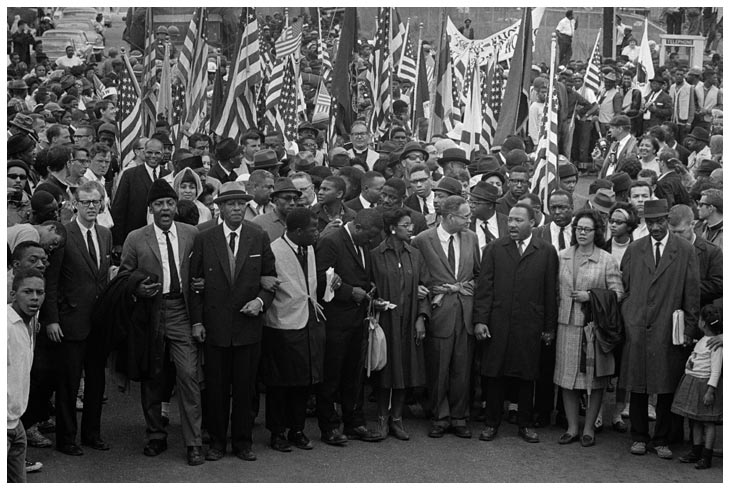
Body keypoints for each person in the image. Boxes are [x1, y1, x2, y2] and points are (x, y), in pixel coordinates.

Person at [119, 179, 204, 466]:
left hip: (182, 310)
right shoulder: (136, 238)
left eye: (169, 203)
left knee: (189, 375)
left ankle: (194, 442)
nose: (165, 208)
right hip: (151, 312)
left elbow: (203, 268)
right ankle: (155, 434)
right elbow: (123, 276)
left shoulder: (192, 233)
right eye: (159, 204)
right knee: (153, 376)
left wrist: (200, 284)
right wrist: (137, 288)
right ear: (150, 208)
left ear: (176, 205)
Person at [189, 182, 276, 462]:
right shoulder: (205, 238)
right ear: (220, 208)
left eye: (241, 203)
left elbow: (270, 279)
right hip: (215, 327)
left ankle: (242, 442)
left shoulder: (257, 236)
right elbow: (195, 284)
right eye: (231, 204)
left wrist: (260, 302)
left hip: (247, 327)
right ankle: (216, 441)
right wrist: (197, 322)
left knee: (244, 389)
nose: (237, 208)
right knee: (215, 389)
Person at [619, 199, 700, 458]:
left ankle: (662, 439)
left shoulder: (685, 250)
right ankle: (639, 436)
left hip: (669, 327)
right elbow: (627, 287)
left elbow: (692, 293)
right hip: (638, 326)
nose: (654, 226)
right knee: (638, 383)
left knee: (666, 385)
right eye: (650, 221)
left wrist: (688, 329)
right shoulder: (635, 248)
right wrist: (629, 318)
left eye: (659, 221)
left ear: (668, 220)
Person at [473, 203, 558, 443]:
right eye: (510, 220)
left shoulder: (545, 251)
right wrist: (480, 320)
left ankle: (525, 424)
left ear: (532, 223)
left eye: (518, 220)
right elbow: (484, 288)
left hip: (530, 324)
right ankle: (491, 423)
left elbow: (550, 292)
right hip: (498, 322)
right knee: (495, 374)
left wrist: (549, 328)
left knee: (526, 376)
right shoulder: (494, 248)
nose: (512, 224)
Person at [44, 181, 113, 456]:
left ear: (102, 203)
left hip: (98, 323)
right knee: (69, 384)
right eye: (85, 202)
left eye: (96, 201)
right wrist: (51, 319)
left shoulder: (105, 234)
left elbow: (103, 277)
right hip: (70, 321)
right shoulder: (65, 234)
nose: (91, 207)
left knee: (96, 382)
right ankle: (67, 438)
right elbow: (52, 281)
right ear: (75, 204)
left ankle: (92, 434)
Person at [554, 209, 624, 447]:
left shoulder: (606, 259)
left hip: (592, 328)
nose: (582, 233)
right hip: (566, 325)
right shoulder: (562, 255)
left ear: (597, 232)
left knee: (593, 381)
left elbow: (618, 294)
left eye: (587, 229)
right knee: (567, 379)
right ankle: (572, 427)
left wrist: (590, 296)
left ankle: (588, 428)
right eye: (578, 228)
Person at [412, 196, 480, 439]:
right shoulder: (422, 240)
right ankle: (440, 416)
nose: (470, 220)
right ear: (450, 217)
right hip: (439, 312)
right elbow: (418, 281)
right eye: (466, 216)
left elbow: (477, 274)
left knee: (462, 368)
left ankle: (459, 417)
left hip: (465, 313)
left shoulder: (471, 238)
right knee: (439, 367)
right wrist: (422, 312)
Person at [315, 209, 385, 445]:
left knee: (354, 375)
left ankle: (355, 422)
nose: (372, 241)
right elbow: (319, 278)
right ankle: (330, 427)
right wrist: (348, 292)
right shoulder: (331, 242)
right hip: (336, 320)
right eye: (369, 236)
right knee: (332, 375)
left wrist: (370, 288)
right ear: (358, 227)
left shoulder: (362, 242)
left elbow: (362, 275)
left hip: (358, 320)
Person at [260, 207, 325, 452]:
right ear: (297, 231)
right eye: (312, 229)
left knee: (303, 381)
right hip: (281, 324)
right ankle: (277, 432)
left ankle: (296, 429)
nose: (317, 233)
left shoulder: (308, 248)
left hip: (307, 321)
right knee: (280, 383)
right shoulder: (274, 249)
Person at [370, 208, 430, 440]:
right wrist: (375, 302)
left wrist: (421, 318)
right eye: (406, 225)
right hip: (386, 321)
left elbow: (425, 287)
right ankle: (382, 418)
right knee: (386, 370)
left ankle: (397, 418)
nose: (411, 228)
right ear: (393, 228)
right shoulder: (376, 254)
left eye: (411, 224)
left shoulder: (415, 254)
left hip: (409, 320)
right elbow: (370, 286)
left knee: (406, 369)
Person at [671, 304, 722, 470]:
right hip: (694, 381)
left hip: (704, 384)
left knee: (708, 421)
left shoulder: (716, 345)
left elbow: (716, 370)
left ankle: (706, 455)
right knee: (696, 419)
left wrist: (710, 390)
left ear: (703, 323)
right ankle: (696, 451)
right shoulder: (704, 340)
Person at [7, 268, 46, 483]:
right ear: (13, 295)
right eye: (27, 292)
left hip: (16, 423)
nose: (34, 298)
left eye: (39, 293)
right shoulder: (6, 326)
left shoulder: (29, 322)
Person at [111, 138, 171, 250]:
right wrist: (118, 242)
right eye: (149, 152)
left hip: (162, 237)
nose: (153, 156)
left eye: (157, 153)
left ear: (162, 155)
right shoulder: (130, 175)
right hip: (135, 236)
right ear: (144, 153)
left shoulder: (169, 175)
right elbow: (119, 208)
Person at [668, 205, 722, 308]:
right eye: (672, 232)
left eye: (680, 232)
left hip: (699, 312)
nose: (676, 237)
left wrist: (683, 288)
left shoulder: (711, 252)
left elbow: (719, 286)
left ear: (693, 224)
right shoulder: (663, 249)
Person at [252, 178, 302, 242]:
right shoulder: (259, 223)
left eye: (295, 199)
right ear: (275, 200)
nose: (292, 203)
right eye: (287, 198)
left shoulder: (302, 222)